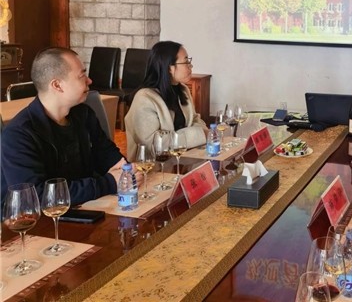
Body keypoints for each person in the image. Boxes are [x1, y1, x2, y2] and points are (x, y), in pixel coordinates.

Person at [1, 47, 126, 206]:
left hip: (83, 207)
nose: (89, 81)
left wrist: (125, 170)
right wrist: (108, 183)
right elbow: (35, 197)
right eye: (82, 75)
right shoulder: (18, 135)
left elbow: (107, 154)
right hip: (36, 219)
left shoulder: (83, 114)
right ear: (57, 85)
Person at [125, 41, 208, 162]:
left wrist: (202, 133)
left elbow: (195, 120)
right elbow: (154, 144)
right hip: (153, 167)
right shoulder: (144, 98)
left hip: (183, 160)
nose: (191, 66)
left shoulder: (183, 90)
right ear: (169, 68)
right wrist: (198, 135)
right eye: (186, 62)